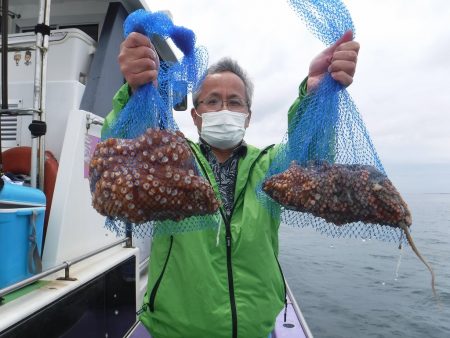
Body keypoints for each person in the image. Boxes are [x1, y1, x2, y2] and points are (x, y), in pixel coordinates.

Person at [103, 30, 359, 338]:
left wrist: (315, 96)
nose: (224, 109)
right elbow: (125, 156)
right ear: (196, 116)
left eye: (235, 102)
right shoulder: (170, 162)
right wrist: (134, 93)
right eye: (212, 101)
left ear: (248, 117)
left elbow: (312, 164)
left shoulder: (271, 167)